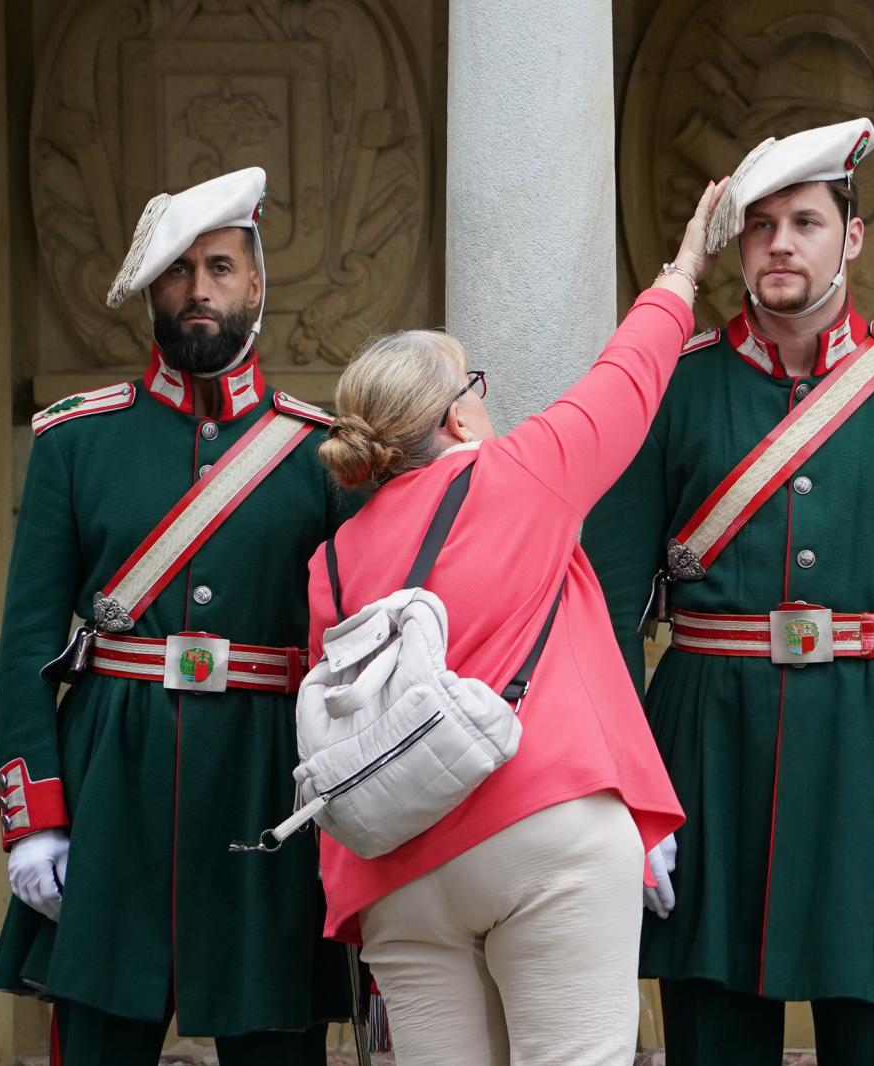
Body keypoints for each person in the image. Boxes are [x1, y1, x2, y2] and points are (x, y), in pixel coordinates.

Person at [581, 118, 874, 1065]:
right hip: (709, 760)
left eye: (807, 222)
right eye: (761, 224)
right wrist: (631, 796)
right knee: (711, 1037)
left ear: (851, 237)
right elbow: (609, 609)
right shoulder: (672, 391)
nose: (780, 242)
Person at [306, 179, 727, 1066]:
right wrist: (685, 270)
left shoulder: (333, 558)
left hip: (396, 869)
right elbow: (629, 375)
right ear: (459, 411)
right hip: (546, 826)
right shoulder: (519, 476)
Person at [0, 167, 359, 1064]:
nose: (200, 290)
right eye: (180, 271)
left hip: (268, 779)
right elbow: (28, 643)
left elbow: (354, 654)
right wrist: (34, 815)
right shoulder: (76, 440)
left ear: (257, 281)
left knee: (276, 1041)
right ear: (152, 289)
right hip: (111, 780)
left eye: (222, 267)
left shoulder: (323, 454)